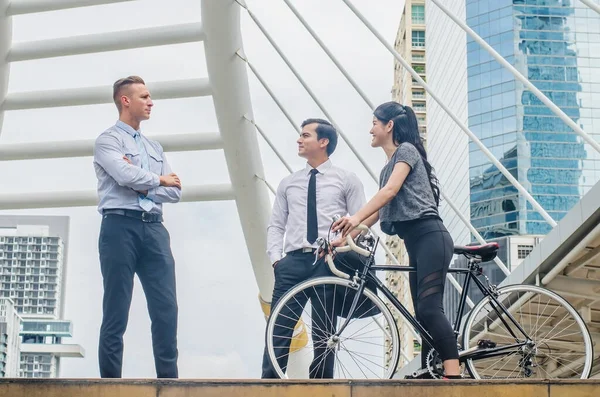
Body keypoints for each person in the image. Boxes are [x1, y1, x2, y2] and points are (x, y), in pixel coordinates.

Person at [332, 101, 461, 379]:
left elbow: (390, 192)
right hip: (415, 242)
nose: (370, 129)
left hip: (430, 236)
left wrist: (353, 217)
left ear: (389, 126)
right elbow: (376, 214)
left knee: (429, 307)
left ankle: (454, 374)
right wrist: (343, 238)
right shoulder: (386, 168)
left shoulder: (406, 152)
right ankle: (430, 369)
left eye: (374, 123)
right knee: (421, 314)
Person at [262, 118, 367, 379]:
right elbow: (276, 225)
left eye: (305, 135)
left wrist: (343, 243)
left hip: (328, 261)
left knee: (325, 332)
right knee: (279, 329)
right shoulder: (288, 183)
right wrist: (277, 260)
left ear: (323, 142)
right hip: (293, 262)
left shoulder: (347, 179)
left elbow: (361, 221)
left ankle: (321, 387)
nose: (299, 140)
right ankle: (267, 386)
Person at [93, 75, 182, 378]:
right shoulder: (107, 140)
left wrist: (144, 184)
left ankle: (169, 382)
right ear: (125, 100)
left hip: (155, 229)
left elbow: (175, 192)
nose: (151, 102)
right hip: (119, 228)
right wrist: (157, 180)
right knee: (116, 308)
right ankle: (109, 384)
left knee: (166, 308)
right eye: (144, 97)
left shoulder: (154, 147)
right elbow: (123, 174)